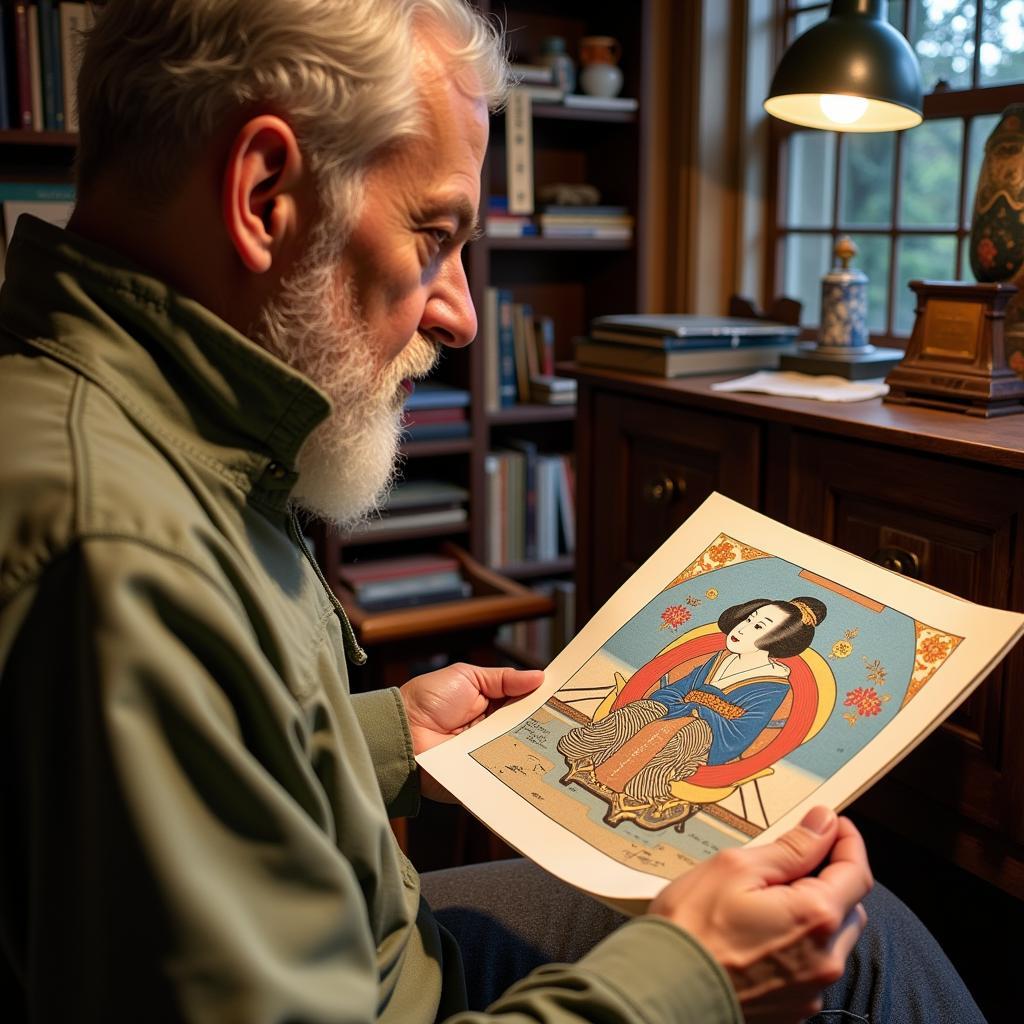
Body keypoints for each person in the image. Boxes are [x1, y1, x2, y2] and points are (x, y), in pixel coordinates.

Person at [0, 2, 986, 1022]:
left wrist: (384, 738)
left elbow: (202, 776)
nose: (462, 313)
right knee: (868, 953)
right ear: (264, 194)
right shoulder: (119, 559)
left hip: (382, 945)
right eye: (435, 236)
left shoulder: (146, 437)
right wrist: (698, 982)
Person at [557, 597, 826, 829]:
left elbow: (743, 731)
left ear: (779, 639)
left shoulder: (774, 683)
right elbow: (678, 689)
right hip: (679, 711)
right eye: (749, 619)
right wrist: (667, 705)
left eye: (757, 627)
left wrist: (698, 713)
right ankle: (587, 755)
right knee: (640, 710)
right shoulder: (722, 657)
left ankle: (641, 792)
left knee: (685, 735)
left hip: (712, 736)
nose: (742, 629)